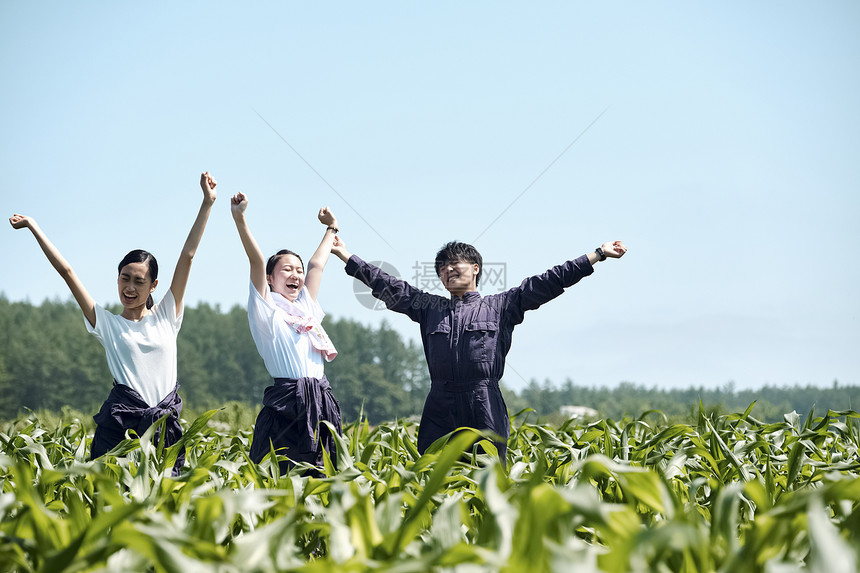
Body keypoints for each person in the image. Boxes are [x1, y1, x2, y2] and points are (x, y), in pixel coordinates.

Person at [330, 237, 627, 466]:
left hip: (483, 401)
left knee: (488, 476)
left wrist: (597, 255)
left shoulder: (502, 306)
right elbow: (389, 285)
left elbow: (549, 281)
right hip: (440, 404)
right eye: (442, 267)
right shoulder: (429, 308)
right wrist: (345, 255)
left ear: (475, 269)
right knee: (433, 475)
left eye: (454, 263)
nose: (448, 270)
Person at [9, 172, 217, 473]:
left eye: (138, 281)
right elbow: (67, 271)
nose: (129, 288)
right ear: (117, 278)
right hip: (121, 428)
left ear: (153, 285)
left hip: (164, 429)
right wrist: (33, 226)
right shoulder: (106, 323)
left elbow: (188, 256)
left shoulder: (167, 315)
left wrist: (207, 203)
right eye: (124, 278)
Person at [230, 192, 342, 474]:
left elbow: (317, 265)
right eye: (287, 270)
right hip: (286, 404)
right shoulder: (266, 310)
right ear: (270, 278)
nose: (296, 275)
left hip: (320, 403)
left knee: (324, 477)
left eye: (298, 270)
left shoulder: (306, 308)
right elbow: (256, 261)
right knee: (281, 476)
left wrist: (332, 228)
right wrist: (240, 218)